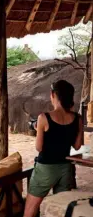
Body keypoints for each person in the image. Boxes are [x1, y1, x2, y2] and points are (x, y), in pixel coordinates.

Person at [24, 80, 83, 217]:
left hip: (45, 169)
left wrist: (38, 127)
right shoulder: (77, 118)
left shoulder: (43, 117)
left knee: (30, 209)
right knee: (61, 210)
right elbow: (77, 146)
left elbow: (39, 147)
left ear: (53, 95)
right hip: (65, 169)